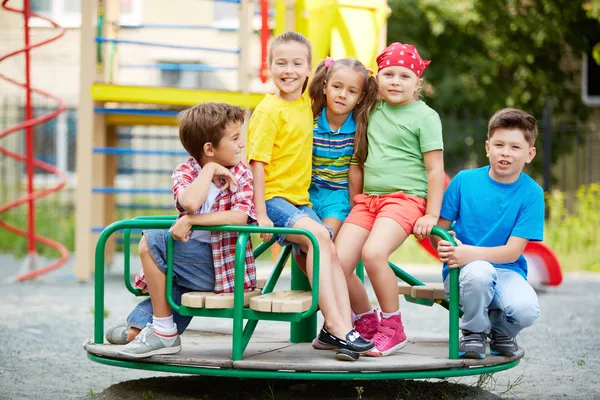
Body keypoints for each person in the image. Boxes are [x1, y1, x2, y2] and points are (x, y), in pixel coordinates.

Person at [247, 31, 375, 361]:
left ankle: (343, 328)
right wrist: (261, 212)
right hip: (274, 199)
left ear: (308, 71)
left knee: (326, 247)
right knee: (319, 238)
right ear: (269, 66)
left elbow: (337, 89)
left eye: (297, 63)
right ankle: (338, 326)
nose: (288, 70)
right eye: (280, 63)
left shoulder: (306, 104)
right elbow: (257, 165)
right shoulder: (267, 111)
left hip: (299, 201)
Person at [105, 103, 257, 358]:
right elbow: (188, 203)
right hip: (189, 267)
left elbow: (240, 216)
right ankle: (143, 332)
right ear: (209, 149)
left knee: (152, 241)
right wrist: (208, 170)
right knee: (170, 281)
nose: (241, 144)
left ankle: (163, 332)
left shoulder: (241, 173)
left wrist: (192, 221)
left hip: (224, 268)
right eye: (234, 138)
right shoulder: (186, 171)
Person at [335, 42, 445, 357]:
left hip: (405, 201)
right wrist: (357, 197)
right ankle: (365, 321)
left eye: (404, 76)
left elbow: (435, 170)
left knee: (373, 253)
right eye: (388, 74)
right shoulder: (369, 110)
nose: (395, 81)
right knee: (335, 263)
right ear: (377, 78)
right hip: (369, 201)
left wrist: (431, 215)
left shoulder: (425, 116)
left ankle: (392, 326)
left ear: (418, 83)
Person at [431, 108, 542, 359]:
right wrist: (444, 244)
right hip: (464, 273)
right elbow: (439, 229)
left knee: (527, 310)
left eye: (515, 147)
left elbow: (513, 251)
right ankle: (473, 332)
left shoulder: (531, 193)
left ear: (529, 154)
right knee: (480, 272)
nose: (505, 152)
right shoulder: (464, 181)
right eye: (499, 144)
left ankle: (501, 331)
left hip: (507, 270)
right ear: (487, 147)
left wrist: (468, 252)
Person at [306, 57, 379, 237]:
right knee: (304, 247)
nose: (342, 95)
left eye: (352, 91)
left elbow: (354, 172)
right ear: (325, 87)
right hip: (307, 195)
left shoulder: (358, 131)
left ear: (361, 97)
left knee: (323, 236)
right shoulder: (310, 124)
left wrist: (356, 210)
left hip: (338, 198)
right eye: (337, 87)